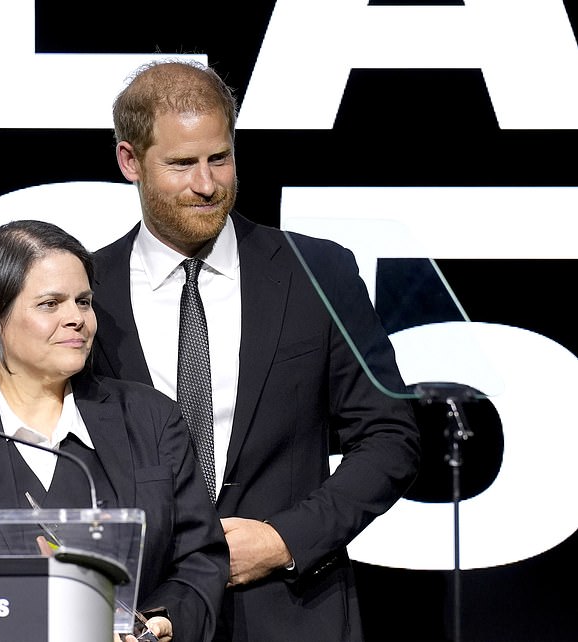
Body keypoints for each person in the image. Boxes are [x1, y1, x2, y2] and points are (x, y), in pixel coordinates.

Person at [91, 60, 421, 642]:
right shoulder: (87, 291)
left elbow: (391, 437)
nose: (207, 183)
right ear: (128, 161)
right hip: (139, 617)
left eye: (219, 158)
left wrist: (283, 540)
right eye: (181, 164)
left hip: (294, 611)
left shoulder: (318, 273)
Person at [0, 219, 228, 642]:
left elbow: (200, 558)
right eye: (50, 304)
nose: (77, 319)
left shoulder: (150, 418)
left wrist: (163, 619)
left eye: (83, 302)